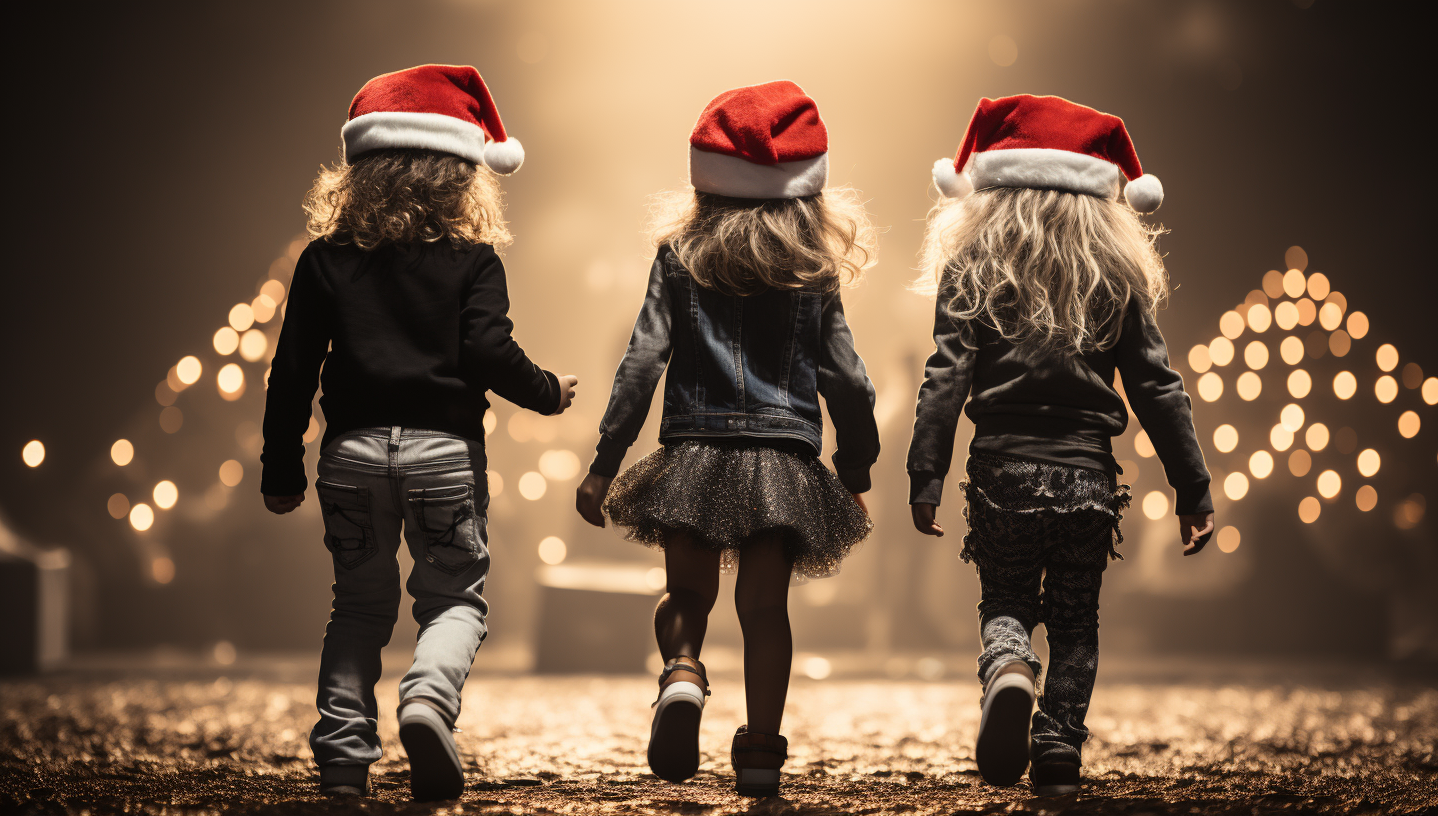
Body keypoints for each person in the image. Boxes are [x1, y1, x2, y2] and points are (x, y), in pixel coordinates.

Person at [259, 64, 576, 802]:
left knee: (359, 607)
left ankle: (342, 756)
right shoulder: (475, 261)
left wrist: (280, 469)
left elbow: (292, 372)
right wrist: (547, 393)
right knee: (455, 601)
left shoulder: (323, 260)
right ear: (464, 172)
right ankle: (429, 701)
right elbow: (488, 353)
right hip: (444, 454)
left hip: (351, 457)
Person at [575, 80, 879, 797]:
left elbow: (641, 362)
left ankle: (682, 673)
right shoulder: (813, 271)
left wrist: (604, 463)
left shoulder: (678, 255)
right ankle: (763, 754)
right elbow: (850, 381)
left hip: (694, 451)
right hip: (783, 459)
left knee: (686, 593)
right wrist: (855, 469)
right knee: (765, 610)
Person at [907, 94, 1215, 796]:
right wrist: (1191, 488)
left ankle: (1010, 665)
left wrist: (926, 472)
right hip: (1086, 476)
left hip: (1001, 468)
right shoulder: (1118, 272)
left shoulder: (973, 260)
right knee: (1077, 621)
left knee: (1006, 599)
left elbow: (945, 374)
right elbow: (1157, 385)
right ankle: (1057, 748)